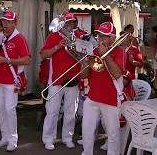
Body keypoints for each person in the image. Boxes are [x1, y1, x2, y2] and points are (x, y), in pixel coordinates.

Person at [80, 22, 124, 155]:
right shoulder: (93, 51)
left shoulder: (119, 51)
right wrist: (84, 64)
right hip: (93, 96)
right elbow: (83, 76)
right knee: (87, 129)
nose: (100, 39)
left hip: (110, 98)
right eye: (99, 35)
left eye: (104, 36)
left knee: (112, 133)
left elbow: (117, 74)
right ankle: (87, 152)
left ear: (112, 37)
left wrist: (106, 56)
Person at [41, 12, 81, 150]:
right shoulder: (53, 36)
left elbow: (86, 57)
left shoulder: (79, 37)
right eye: (67, 23)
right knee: (52, 111)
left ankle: (67, 137)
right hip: (56, 79)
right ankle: (48, 138)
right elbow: (43, 54)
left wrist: (78, 49)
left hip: (74, 79)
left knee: (71, 111)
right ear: (62, 23)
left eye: (72, 22)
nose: (70, 25)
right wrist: (57, 46)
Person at [0, 11, 30, 152]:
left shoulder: (19, 38)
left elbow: (27, 60)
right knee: (0, 110)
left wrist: (6, 60)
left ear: (15, 23)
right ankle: (4, 137)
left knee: (9, 110)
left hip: (11, 80)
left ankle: (13, 139)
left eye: (8, 22)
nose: (5, 24)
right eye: (4, 21)